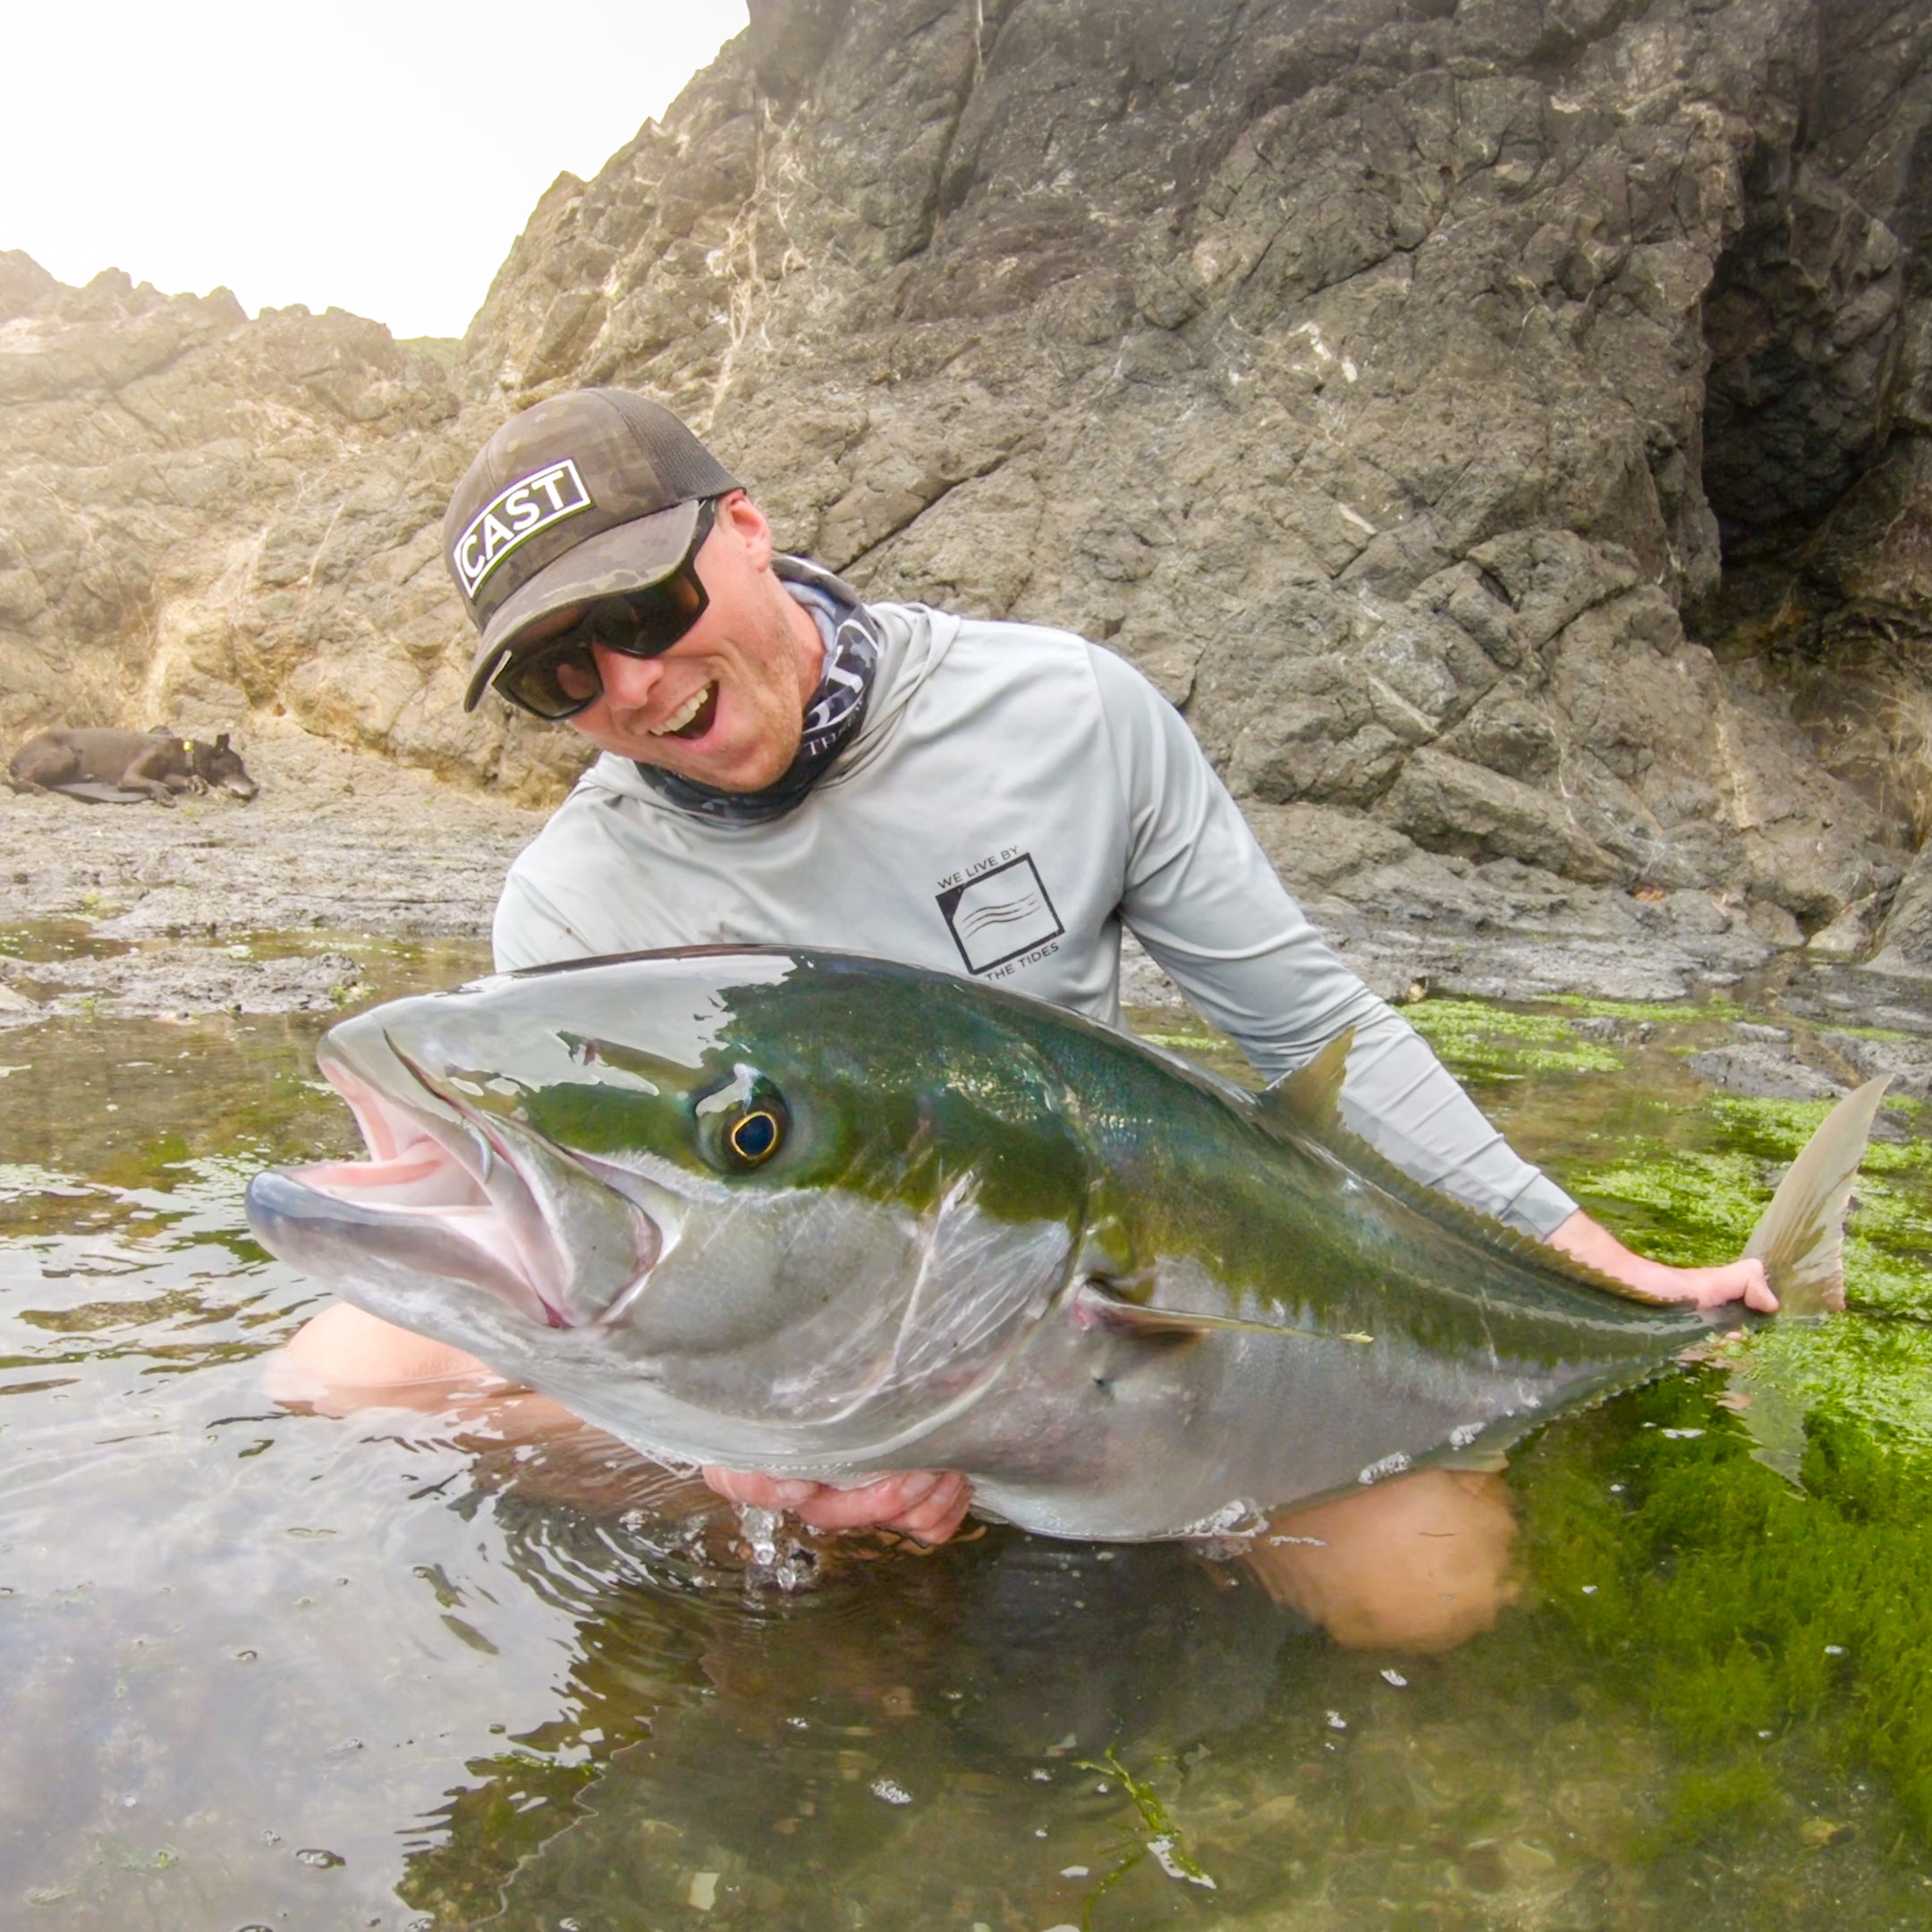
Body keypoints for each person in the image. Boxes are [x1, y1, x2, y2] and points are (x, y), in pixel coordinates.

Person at [288, 386, 1773, 1599]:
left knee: (1427, 1595)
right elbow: (603, 1218)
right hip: (846, 1316)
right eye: (560, 674)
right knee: (342, 1373)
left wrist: (1596, 1266)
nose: (629, 685)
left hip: (1104, 1288)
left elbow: (1309, 1028)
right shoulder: (570, 900)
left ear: (746, 527)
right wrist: (724, 1466)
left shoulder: (1062, 714)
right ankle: (842, 1509)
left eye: (651, 603)